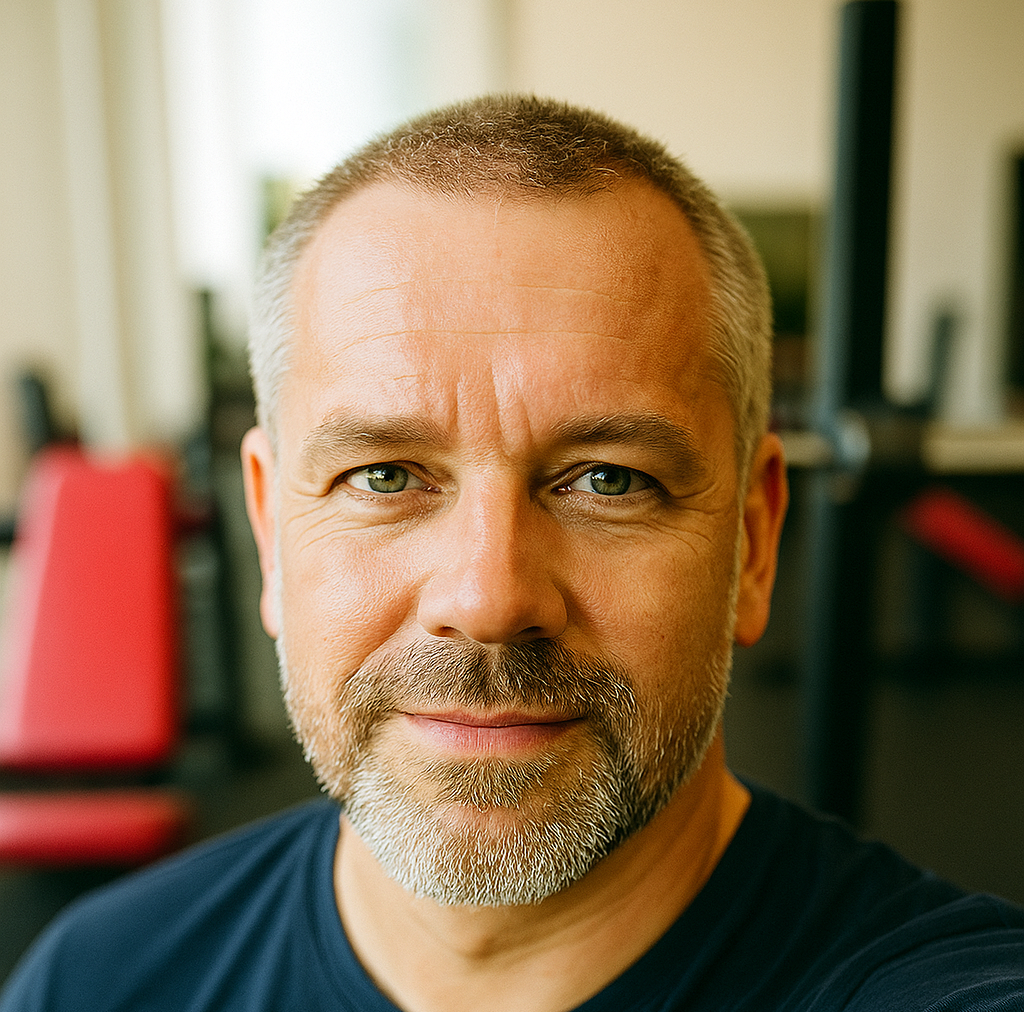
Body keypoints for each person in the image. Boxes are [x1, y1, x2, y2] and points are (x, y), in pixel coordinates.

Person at [2, 94, 1022, 1012]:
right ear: (271, 532)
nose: (488, 596)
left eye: (608, 479)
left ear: (752, 542)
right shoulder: (99, 979)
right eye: (384, 476)